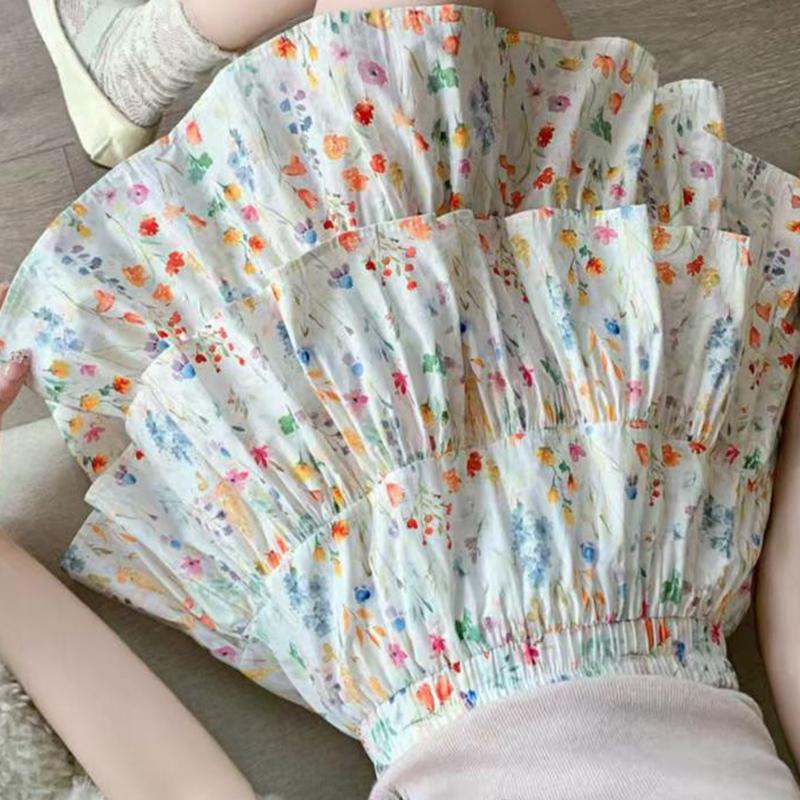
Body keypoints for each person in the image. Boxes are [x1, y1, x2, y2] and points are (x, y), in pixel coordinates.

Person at [3, 1, 800, 798]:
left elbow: (179, 789)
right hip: (652, 526)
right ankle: (142, 52)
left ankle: (150, 49)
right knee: (516, 57)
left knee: (429, 53)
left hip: (411, 587)